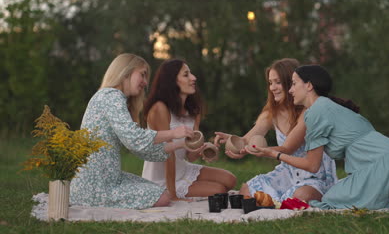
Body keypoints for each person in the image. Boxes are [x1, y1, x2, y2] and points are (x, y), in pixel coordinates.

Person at [251, 64, 389, 210]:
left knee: (331, 197)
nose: (290, 90)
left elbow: (312, 165)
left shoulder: (315, 112)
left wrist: (275, 155)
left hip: (387, 167)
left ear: (309, 85)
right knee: (346, 188)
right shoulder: (332, 107)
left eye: (294, 83)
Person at [70, 53, 194, 210]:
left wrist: (181, 144)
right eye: (142, 74)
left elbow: (139, 148)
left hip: (106, 179)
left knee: (160, 193)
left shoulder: (111, 98)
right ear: (125, 72)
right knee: (162, 198)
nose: (145, 82)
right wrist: (173, 133)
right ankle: (91, 199)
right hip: (95, 186)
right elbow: (136, 138)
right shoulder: (110, 97)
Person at [215, 58, 337, 202]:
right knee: (246, 191)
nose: (272, 88)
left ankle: (313, 194)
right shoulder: (271, 112)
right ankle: (279, 199)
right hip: (287, 173)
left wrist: (263, 151)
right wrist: (233, 141)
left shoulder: (308, 112)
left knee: (300, 197)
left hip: (314, 175)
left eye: (278, 82)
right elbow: (248, 139)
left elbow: (288, 148)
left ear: (292, 83)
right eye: (270, 83)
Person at [142, 59, 236, 199]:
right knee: (219, 190)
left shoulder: (193, 111)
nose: (193, 78)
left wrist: (204, 148)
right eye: (186, 75)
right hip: (161, 179)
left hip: (182, 168)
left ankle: (191, 187)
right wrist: (172, 195)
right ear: (172, 81)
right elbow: (168, 154)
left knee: (230, 179)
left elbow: (190, 156)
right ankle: (173, 190)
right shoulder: (160, 109)